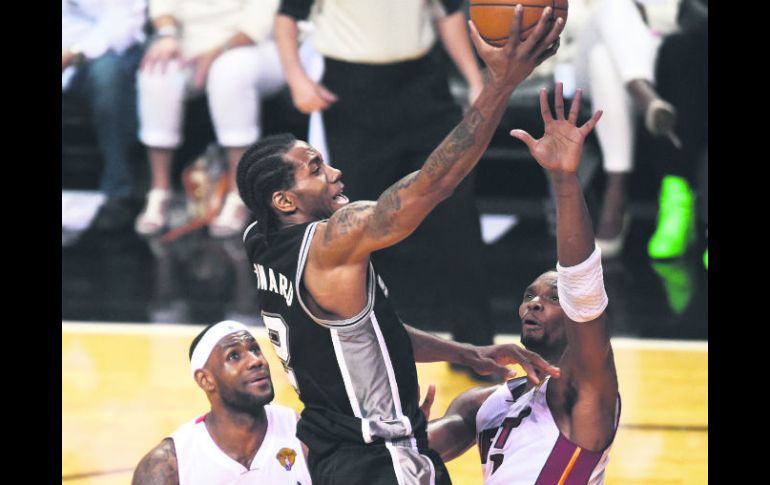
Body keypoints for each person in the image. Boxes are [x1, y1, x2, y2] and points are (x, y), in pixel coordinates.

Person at [237, 9, 565, 484]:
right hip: (381, 460)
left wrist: (466, 353)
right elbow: (432, 185)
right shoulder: (333, 239)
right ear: (285, 200)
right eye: (315, 169)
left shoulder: (260, 240)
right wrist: (500, 84)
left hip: (327, 451)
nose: (334, 173)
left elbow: (368, 336)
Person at [274, 0, 496, 361]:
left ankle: (477, 347)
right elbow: (286, 18)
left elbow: (450, 12)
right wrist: (297, 78)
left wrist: (474, 79)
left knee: (457, 214)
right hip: (352, 94)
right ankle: (345, 350)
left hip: (424, 86)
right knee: (353, 228)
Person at [426, 84, 620, 484]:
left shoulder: (585, 396)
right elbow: (413, 456)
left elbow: (582, 285)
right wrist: (402, 437)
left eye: (552, 298)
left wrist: (565, 180)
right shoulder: (485, 403)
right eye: (529, 295)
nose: (534, 303)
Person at [134, 0, 319, 238]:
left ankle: (238, 193)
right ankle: (160, 191)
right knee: (156, 71)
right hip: (189, 44)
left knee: (229, 72)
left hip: (257, 46)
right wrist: (167, 36)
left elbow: (257, 26)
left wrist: (214, 55)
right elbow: (162, 8)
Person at [131, 320, 312, 484]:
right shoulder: (166, 467)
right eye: (234, 356)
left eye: (255, 349)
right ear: (205, 380)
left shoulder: (304, 435)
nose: (256, 361)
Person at [62, 0, 146, 231]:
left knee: (109, 77)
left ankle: (119, 192)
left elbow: (122, 24)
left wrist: (73, 53)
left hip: (100, 51)